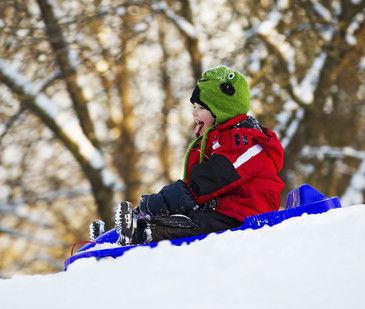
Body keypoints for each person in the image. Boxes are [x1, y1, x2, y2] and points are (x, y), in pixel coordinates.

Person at [91, 65, 284, 245]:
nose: (194, 113)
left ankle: (144, 233)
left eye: (201, 108)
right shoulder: (218, 140)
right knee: (185, 217)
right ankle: (113, 235)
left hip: (247, 215)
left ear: (222, 110)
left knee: (195, 225)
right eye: (194, 107)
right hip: (221, 210)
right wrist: (146, 210)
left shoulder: (247, 143)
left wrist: (159, 203)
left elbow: (206, 182)